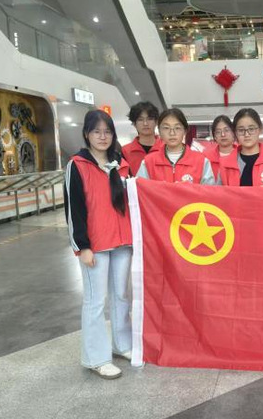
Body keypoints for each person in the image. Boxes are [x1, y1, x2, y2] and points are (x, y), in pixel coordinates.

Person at [64, 110, 133, 380]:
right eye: (97, 131)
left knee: (121, 296)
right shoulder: (77, 165)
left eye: (107, 132)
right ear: (86, 134)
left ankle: (122, 344)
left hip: (123, 242)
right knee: (95, 301)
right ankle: (96, 358)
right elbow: (74, 209)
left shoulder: (121, 163)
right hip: (95, 245)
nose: (103, 137)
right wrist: (82, 247)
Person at [137, 108, 216, 184]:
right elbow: (140, 189)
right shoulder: (148, 162)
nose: (172, 133)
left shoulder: (201, 161)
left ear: (185, 131)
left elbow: (209, 191)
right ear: (159, 131)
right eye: (166, 128)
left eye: (177, 128)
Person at [218, 108, 263, 187]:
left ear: (260, 129)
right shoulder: (225, 164)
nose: (247, 134)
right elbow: (217, 193)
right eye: (241, 130)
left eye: (251, 129)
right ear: (235, 132)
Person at [122, 101, 162, 176]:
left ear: (156, 122)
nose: (145, 123)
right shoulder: (125, 151)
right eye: (140, 119)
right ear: (134, 123)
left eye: (149, 119)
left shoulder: (166, 147)